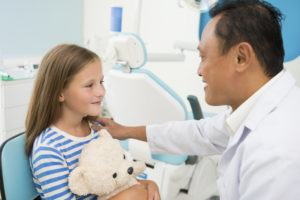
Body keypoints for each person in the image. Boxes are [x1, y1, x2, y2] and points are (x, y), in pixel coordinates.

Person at [97, 0, 300, 199]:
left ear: (241, 57)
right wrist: (125, 131)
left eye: (203, 57)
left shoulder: (276, 152)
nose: (199, 71)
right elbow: (201, 133)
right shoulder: (261, 108)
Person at [25, 44, 160, 200]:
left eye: (101, 82)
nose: (101, 92)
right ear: (60, 92)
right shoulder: (49, 149)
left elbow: (120, 172)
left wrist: (146, 183)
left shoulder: (96, 130)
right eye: (89, 85)